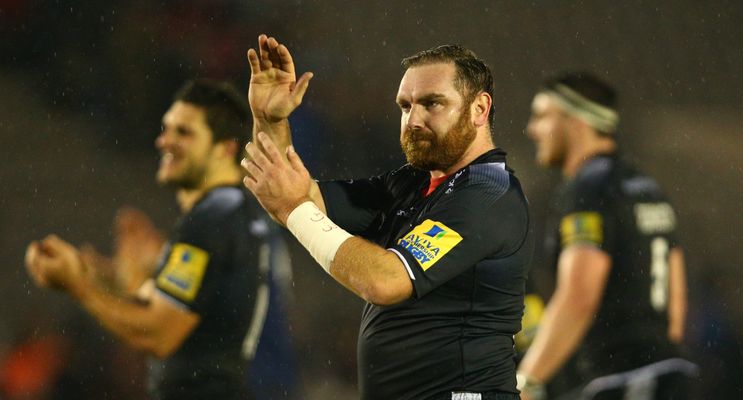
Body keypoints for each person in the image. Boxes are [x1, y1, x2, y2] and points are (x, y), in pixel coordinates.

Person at [240, 34, 534, 400]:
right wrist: (270, 119)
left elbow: (385, 281)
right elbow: (298, 194)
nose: (413, 120)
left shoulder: (488, 193)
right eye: (405, 106)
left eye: (432, 104)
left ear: (479, 109)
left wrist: (293, 208)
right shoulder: (413, 183)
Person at [25, 79, 296, 400]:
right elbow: (192, 303)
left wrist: (77, 285)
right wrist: (104, 276)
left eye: (184, 133)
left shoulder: (209, 220)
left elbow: (159, 334)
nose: (164, 141)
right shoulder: (239, 211)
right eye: (166, 129)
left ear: (224, 149)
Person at [517, 72, 698, 399]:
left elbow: (578, 297)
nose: (532, 128)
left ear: (575, 122)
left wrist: (526, 382)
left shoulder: (587, 190)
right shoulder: (647, 188)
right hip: (667, 374)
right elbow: (675, 309)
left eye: (543, 116)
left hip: (625, 379)